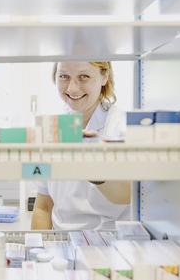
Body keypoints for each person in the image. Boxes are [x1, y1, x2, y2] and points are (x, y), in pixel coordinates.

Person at [31, 61, 131, 230]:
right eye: (64, 76)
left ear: (104, 76)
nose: (72, 88)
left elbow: (126, 196)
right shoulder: (52, 128)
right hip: (60, 244)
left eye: (84, 77)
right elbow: (43, 206)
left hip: (109, 244)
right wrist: (41, 248)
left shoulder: (121, 127)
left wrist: (95, 170)